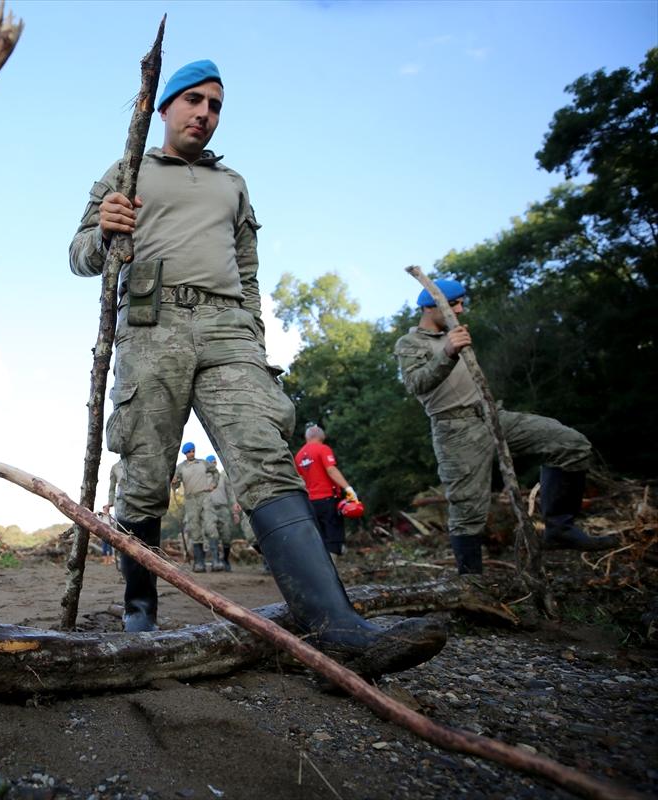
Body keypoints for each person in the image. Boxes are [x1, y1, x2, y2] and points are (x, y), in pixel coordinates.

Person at [69, 58, 443, 675]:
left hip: (227, 330)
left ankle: (337, 625)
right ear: (163, 108)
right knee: (143, 471)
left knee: (265, 456)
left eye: (215, 105)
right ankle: (140, 612)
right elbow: (80, 256)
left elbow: (248, 271)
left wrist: (253, 334)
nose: (204, 114)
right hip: (150, 324)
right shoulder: (125, 170)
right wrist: (104, 229)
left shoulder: (233, 184)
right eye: (193, 100)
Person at [394, 279, 617, 575]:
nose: (460, 309)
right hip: (456, 430)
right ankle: (471, 585)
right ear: (430, 306)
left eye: (461, 302)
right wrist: (447, 351)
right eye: (454, 304)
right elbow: (416, 383)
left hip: (493, 416)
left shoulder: (454, 333)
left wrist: (452, 344)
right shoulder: (410, 343)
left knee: (571, 445)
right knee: (467, 509)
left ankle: (559, 529)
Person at [294, 424, 358, 559]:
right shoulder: (323, 449)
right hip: (328, 499)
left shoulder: (299, 455)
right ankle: (331, 575)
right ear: (321, 436)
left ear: (307, 437)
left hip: (310, 502)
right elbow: (331, 470)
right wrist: (348, 489)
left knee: (318, 538)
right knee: (333, 538)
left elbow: (300, 480)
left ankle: (319, 574)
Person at [171, 442, 218, 573]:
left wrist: (213, 484)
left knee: (210, 526)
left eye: (192, 451)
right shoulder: (180, 467)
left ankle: (216, 561)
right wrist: (174, 483)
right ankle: (199, 562)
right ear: (185, 454)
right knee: (194, 529)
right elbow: (176, 483)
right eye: (188, 452)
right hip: (190, 499)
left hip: (204, 496)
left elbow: (215, 472)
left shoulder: (203, 463)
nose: (191, 453)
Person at [204, 454, 241, 571]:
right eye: (210, 462)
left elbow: (230, 494)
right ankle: (215, 561)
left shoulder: (223, 477)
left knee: (226, 536)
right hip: (209, 509)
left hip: (223, 509)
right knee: (212, 533)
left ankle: (225, 560)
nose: (213, 464)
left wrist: (234, 511)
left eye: (214, 462)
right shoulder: (204, 478)